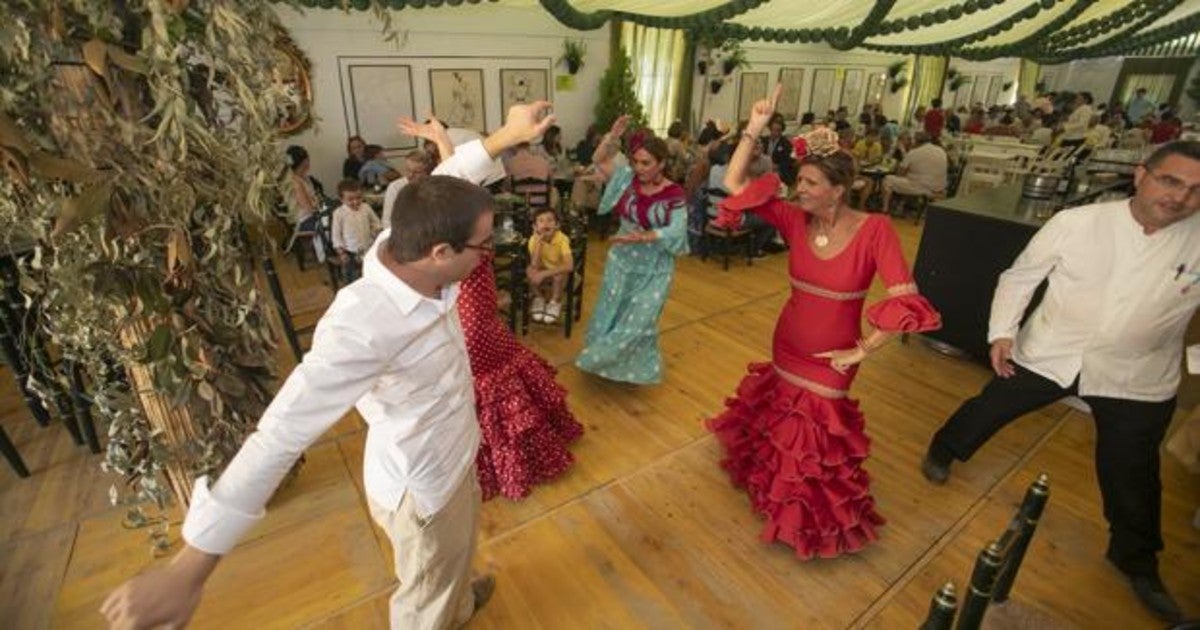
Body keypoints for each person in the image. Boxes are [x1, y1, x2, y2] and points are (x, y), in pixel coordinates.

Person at [99, 102, 558, 630]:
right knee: (424, 592)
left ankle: (455, 599)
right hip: (425, 486)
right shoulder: (362, 326)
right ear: (439, 251)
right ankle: (441, 608)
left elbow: (449, 179)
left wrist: (507, 135)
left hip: (457, 457)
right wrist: (188, 570)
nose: (487, 255)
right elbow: (279, 435)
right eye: (482, 247)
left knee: (450, 561)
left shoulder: (400, 242)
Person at [922, 141, 1200, 623]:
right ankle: (943, 449)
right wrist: (1002, 332)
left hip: (1137, 376)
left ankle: (1135, 560)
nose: (1180, 197)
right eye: (1170, 181)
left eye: (1196, 190)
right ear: (1141, 175)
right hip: (1052, 352)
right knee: (990, 408)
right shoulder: (1078, 223)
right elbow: (1021, 277)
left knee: (1133, 472)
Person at [707, 85, 941, 559]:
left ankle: (808, 525)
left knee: (814, 444)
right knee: (783, 426)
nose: (800, 190)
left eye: (811, 183)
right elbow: (733, 183)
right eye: (800, 181)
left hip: (833, 358)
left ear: (838, 189)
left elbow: (904, 298)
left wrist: (863, 349)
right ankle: (774, 499)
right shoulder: (794, 219)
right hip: (787, 343)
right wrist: (754, 127)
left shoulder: (875, 230)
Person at [396, 116, 583, 502]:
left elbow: (459, 184)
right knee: (483, 374)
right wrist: (442, 140)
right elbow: (456, 183)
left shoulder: (464, 238)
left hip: (475, 324)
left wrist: (442, 140)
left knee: (485, 375)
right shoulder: (451, 238)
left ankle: (504, 459)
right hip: (469, 323)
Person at [575, 117, 689, 385]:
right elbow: (599, 160)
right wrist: (612, 136)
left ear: (662, 163)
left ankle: (609, 362)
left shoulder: (674, 194)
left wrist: (647, 235)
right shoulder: (626, 179)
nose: (639, 168)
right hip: (622, 262)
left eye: (646, 163)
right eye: (636, 162)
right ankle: (611, 367)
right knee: (612, 312)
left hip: (655, 267)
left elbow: (677, 229)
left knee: (640, 322)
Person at [880, 131, 948, 215]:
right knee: (909, 179)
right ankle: (902, 206)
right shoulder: (941, 150)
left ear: (915, 141)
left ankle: (885, 209)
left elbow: (900, 174)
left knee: (887, 180)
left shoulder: (914, 152)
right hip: (939, 187)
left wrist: (903, 152)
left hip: (923, 187)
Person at [526, 207, 574, 324]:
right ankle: (539, 298)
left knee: (558, 276)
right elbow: (535, 265)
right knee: (530, 270)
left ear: (557, 225)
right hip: (543, 269)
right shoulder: (533, 240)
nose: (545, 224)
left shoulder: (562, 239)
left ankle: (555, 301)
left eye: (550, 220)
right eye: (541, 221)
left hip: (559, 273)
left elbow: (569, 265)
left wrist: (544, 274)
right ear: (535, 227)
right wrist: (539, 243)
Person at [331, 178, 382, 284]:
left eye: (359, 198)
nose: (355, 202)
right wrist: (341, 252)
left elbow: (376, 222)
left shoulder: (366, 207)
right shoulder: (339, 213)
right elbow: (336, 235)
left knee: (371, 272)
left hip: (368, 246)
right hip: (350, 252)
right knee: (352, 277)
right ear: (341, 199)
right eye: (350, 199)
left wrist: (375, 230)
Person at [381, 150, 433, 227]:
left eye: (416, 172)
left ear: (427, 173)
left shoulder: (433, 188)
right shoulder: (395, 187)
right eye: (408, 170)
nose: (410, 175)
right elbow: (387, 220)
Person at [762, 113, 796, 185]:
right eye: (774, 130)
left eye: (778, 130)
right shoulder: (763, 140)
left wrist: (777, 166)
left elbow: (788, 162)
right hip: (763, 169)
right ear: (770, 127)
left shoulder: (786, 144)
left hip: (778, 172)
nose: (776, 133)